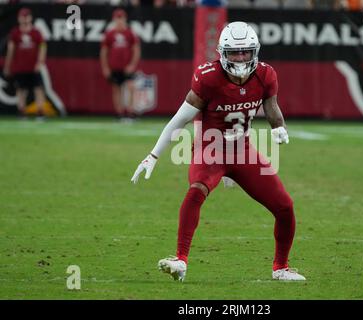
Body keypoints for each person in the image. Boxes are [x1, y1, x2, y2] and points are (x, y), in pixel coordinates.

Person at [131, 22, 306, 282]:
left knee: (285, 207)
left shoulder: (266, 74)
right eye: (234, 52)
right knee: (197, 190)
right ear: (222, 53)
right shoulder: (208, 78)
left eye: (245, 52)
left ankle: (280, 268)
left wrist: (278, 126)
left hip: (243, 150)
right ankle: (180, 260)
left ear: (254, 51)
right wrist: (154, 154)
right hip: (210, 148)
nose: (240, 57)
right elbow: (179, 120)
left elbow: (271, 105)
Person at [3, 8, 47, 119]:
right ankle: (22, 112)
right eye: (23, 17)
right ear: (19, 18)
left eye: (27, 16)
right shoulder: (15, 33)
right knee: (21, 91)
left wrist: (40, 62)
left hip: (33, 67)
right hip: (20, 67)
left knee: (39, 89)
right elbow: (10, 50)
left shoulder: (36, 32)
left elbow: (42, 47)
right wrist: (7, 66)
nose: (25, 19)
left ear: (31, 18)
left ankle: (40, 112)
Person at [100, 8, 141, 122]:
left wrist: (132, 65)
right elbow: (104, 52)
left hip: (127, 67)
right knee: (116, 89)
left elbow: (136, 50)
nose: (119, 21)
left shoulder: (130, 33)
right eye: (117, 18)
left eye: (121, 18)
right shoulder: (109, 34)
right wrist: (105, 67)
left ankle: (130, 111)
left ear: (125, 19)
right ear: (114, 20)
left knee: (130, 87)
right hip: (114, 67)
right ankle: (119, 113)